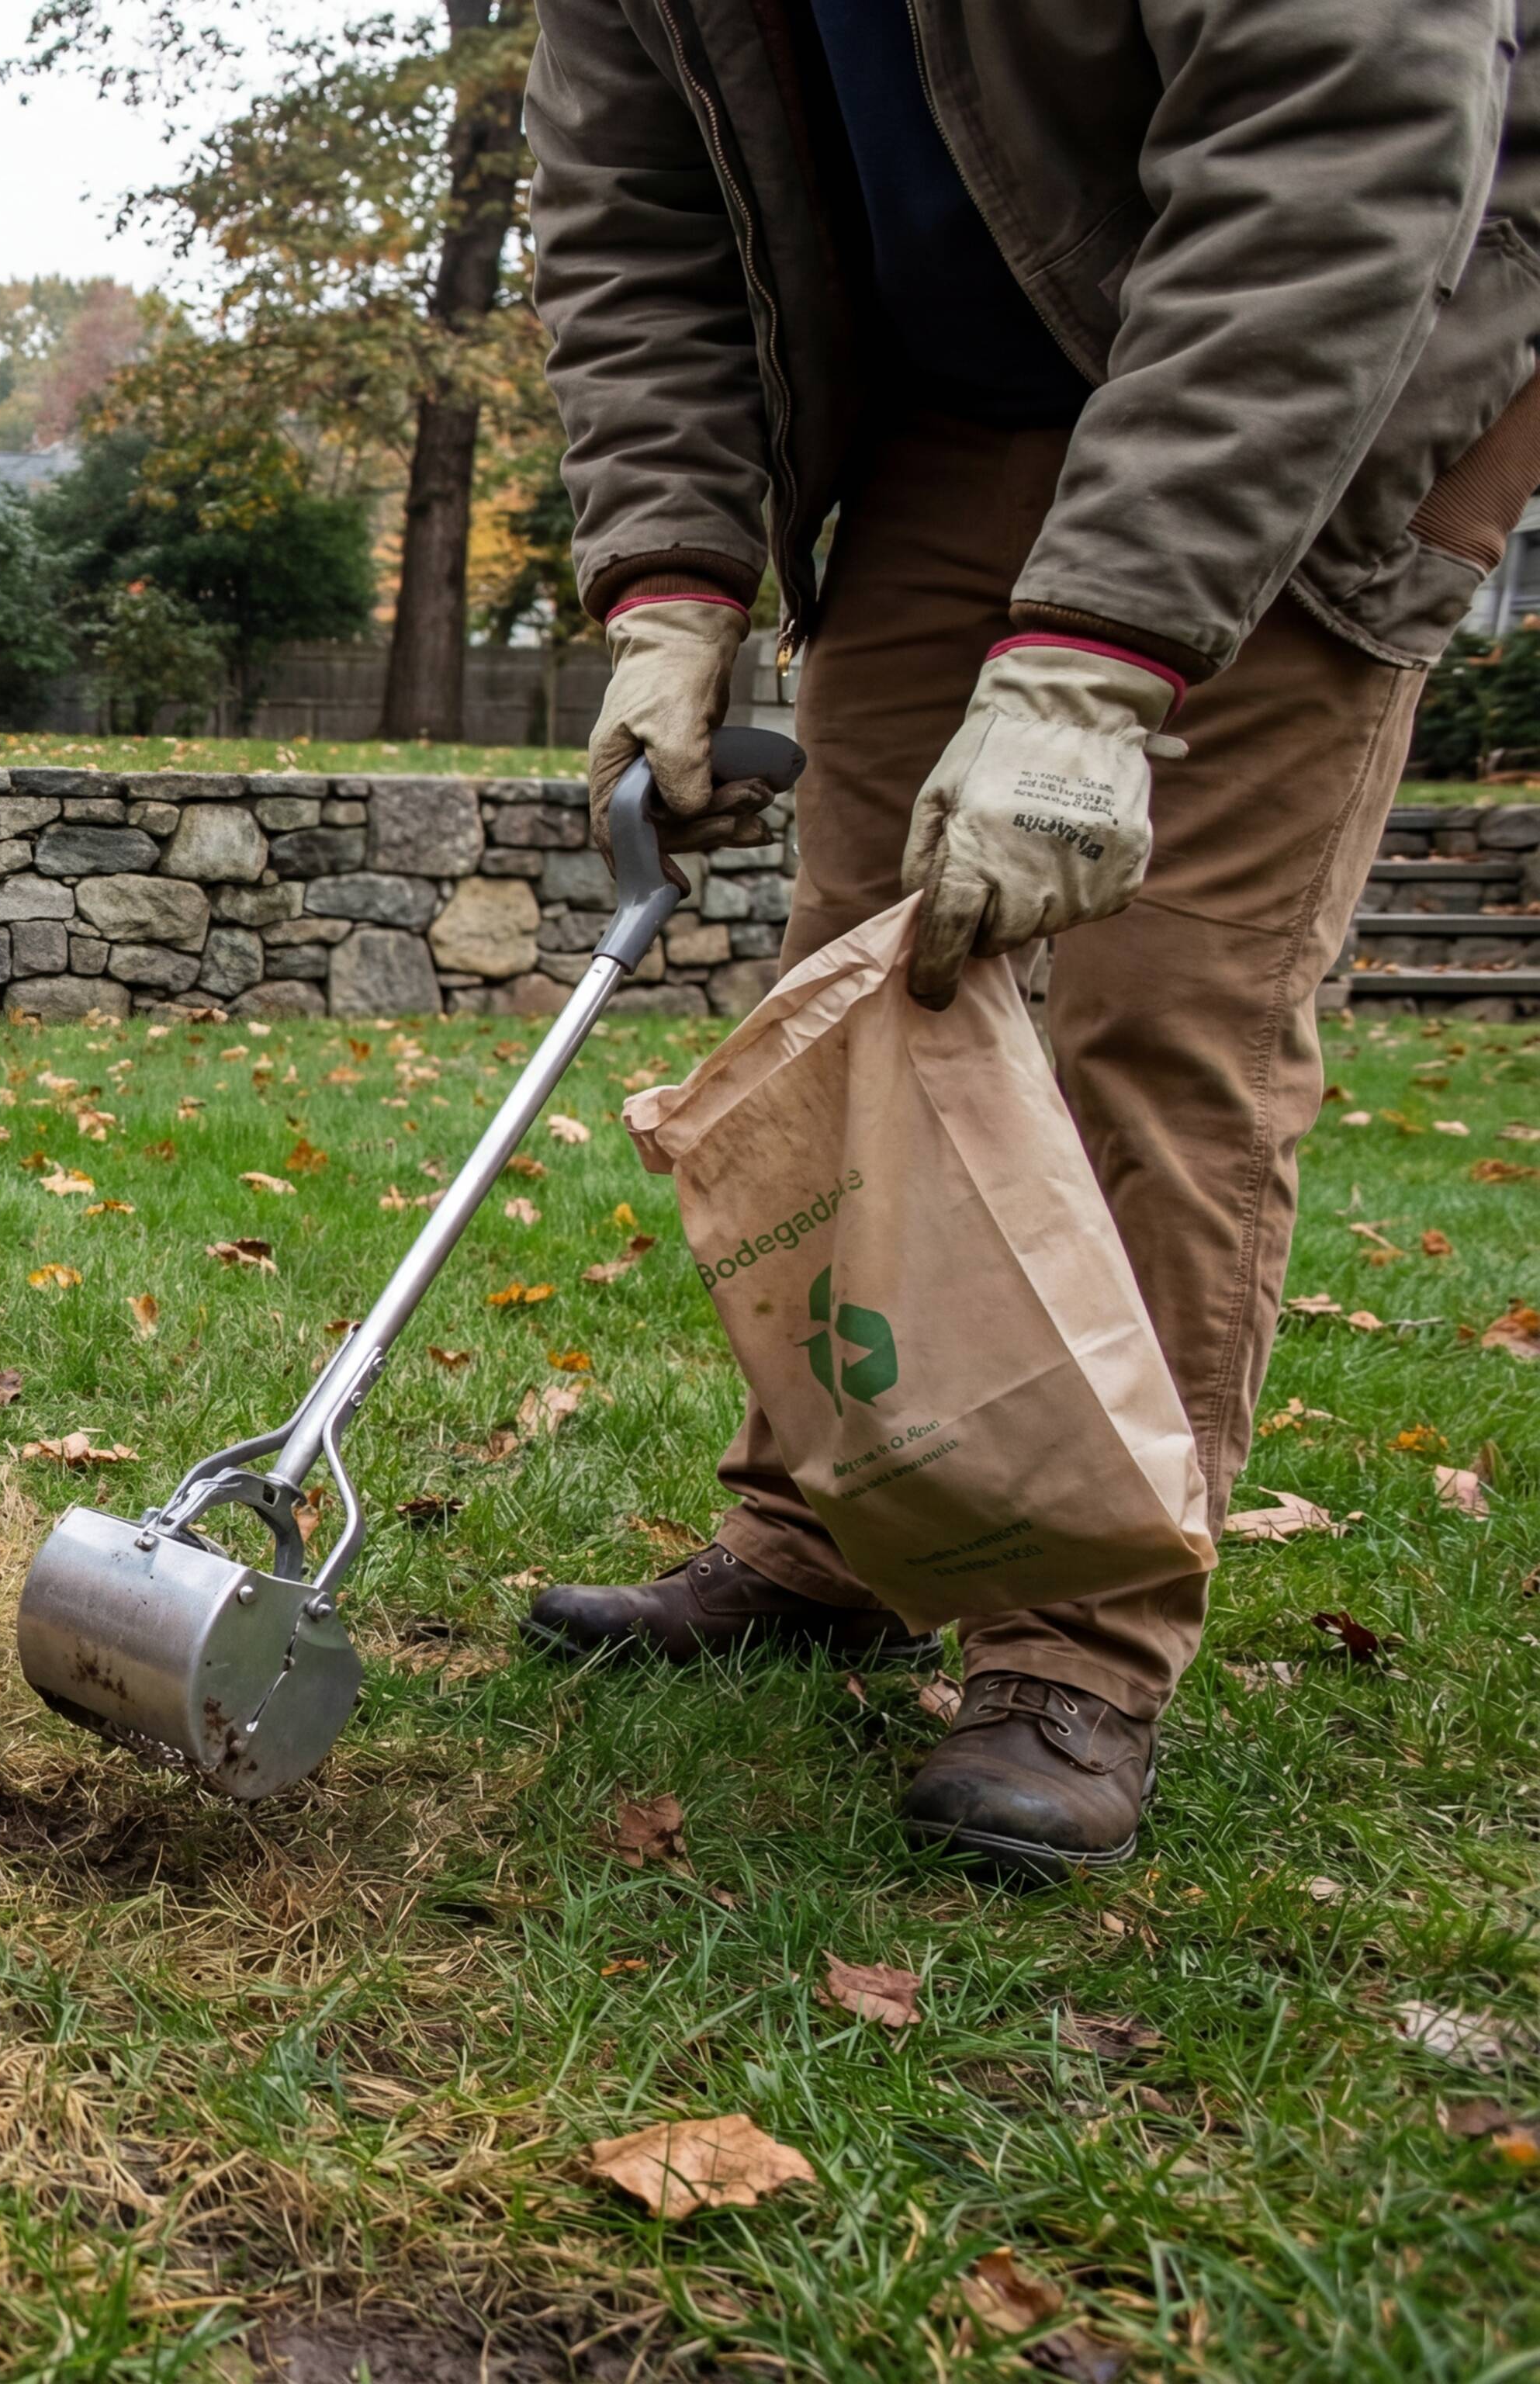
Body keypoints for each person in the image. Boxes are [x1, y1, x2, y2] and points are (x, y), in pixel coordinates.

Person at [514, 0, 1540, 1880]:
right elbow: (628, 212)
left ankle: (1075, 1641)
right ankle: (830, 1535)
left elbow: (1341, 142)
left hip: (1315, 381)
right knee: (859, 994)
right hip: (941, 413)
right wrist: (670, 574)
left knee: (1166, 1019)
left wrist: (1098, 662)